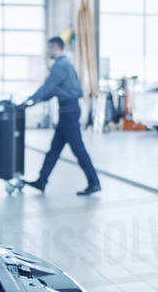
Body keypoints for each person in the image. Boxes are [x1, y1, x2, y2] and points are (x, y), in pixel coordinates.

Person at [23, 36, 102, 196]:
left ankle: (94, 182)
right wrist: (33, 101)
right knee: (54, 150)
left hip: (69, 111)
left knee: (78, 149)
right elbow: (52, 91)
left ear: (57, 48)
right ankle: (42, 180)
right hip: (67, 110)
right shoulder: (66, 65)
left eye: (50, 48)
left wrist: (29, 101)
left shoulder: (60, 66)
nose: (48, 51)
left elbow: (47, 87)